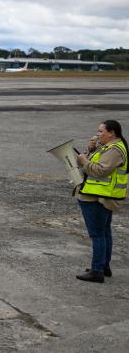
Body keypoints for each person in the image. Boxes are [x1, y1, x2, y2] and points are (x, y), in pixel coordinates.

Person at [75, 120, 127, 283]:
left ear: (111, 133)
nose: (97, 135)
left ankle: (97, 270)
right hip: (101, 195)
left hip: (98, 197)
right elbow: (99, 164)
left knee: (98, 235)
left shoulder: (114, 150)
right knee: (104, 233)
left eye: (100, 132)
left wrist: (83, 160)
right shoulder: (109, 148)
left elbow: (100, 170)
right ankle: (103, 266)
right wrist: (90, 150)